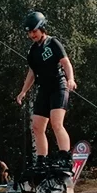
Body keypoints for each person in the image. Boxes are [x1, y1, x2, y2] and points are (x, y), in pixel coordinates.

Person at [15, 11, 77, 171]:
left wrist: (70, 79)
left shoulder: (53, 43)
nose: (31, 35)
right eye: (29, 32)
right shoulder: (32, 51)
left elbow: (66, 62)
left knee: (56, 123)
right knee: (36, 126)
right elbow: (31, 73)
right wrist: (23, 91)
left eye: (34, 31)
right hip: (44, 89)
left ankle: (65, 157)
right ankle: (42, 159)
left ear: (42, 28)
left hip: (59, 86)